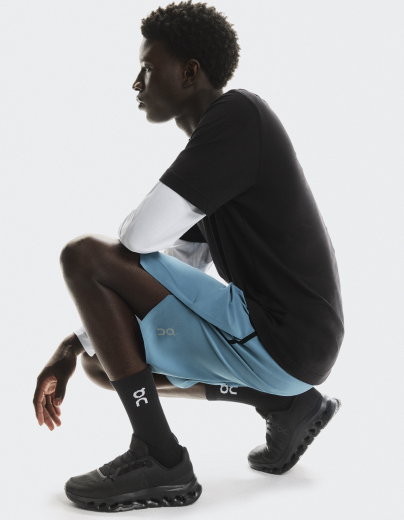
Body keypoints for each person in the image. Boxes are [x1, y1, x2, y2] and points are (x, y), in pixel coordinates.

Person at [33, 0, 344, 513]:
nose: (137, 83)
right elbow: (179, 262)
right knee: (102, 361)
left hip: (285, 337)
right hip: (284, 351)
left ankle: (160, 458)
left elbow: (137, 240)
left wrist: (109, 270)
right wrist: (72, 345)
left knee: (84, 256)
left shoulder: (238, 117)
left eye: (148, 68)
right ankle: (285, 404)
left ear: (189, 72)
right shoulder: (220, 153)